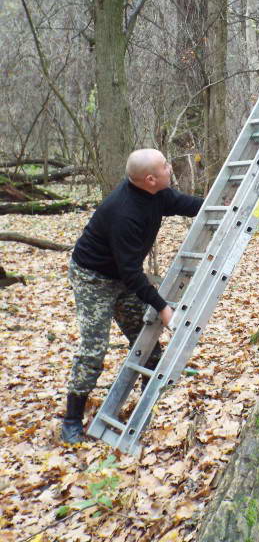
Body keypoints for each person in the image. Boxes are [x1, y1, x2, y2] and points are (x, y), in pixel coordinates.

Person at [61, 149, 203, 444]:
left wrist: (219, 207)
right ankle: (72, 420)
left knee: (148, 345)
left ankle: (143, 408)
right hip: (93, 278)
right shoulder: (124, 212)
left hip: (123, 277)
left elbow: (187, 204)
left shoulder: (158, 194)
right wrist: (162, 307)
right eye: (166, 165)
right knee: (93, 350)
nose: (169, 168)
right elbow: (130, 272)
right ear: (150, 178)